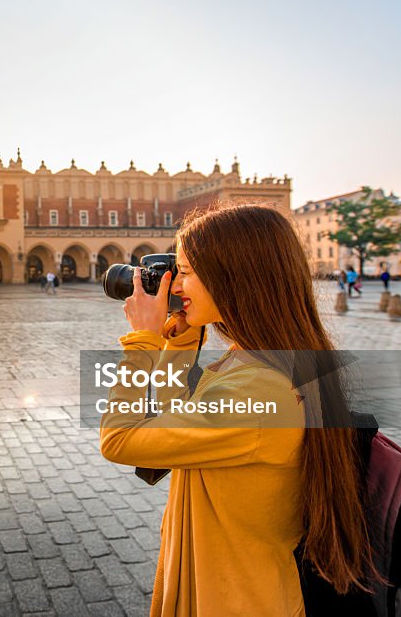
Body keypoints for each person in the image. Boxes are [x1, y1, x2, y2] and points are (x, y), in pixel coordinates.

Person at [100, 204, 377, 616]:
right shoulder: (259, 360)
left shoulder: (259, 386)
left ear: (235, 277)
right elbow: (181, 423)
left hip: (234, 600)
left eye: (188, 271)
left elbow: (120, 439)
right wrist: (178, 343)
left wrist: (143, 341)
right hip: (227, 586)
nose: (176, 286)